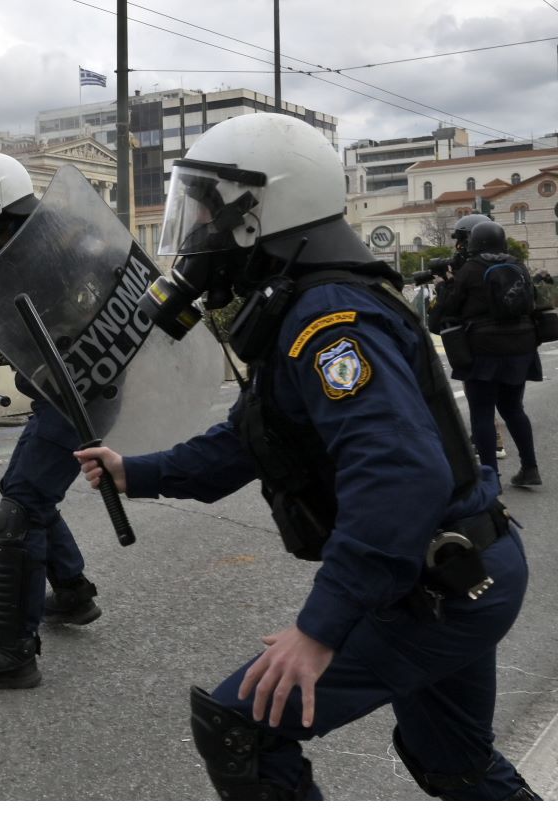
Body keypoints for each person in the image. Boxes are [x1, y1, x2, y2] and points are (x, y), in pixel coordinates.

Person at [75, 114, 537, 800]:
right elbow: (248, 439)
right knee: (455, 765)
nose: (197, 230)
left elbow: (401, 478)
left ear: (263, 212)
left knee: (244, 724)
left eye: (205, 210)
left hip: (439, 586)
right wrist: (134, 471)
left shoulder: (330, 320)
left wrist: (319, 631)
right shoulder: (303, 306)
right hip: (455, 573)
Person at [0, 152, 101, 691]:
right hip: (56, 394)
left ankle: (15, 652)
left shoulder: (64, 243)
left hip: (86, 390)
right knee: (28, 492)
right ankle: (73, 596)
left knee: (20, 508)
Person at [434, 220, 542, 487]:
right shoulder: (518, 266)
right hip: (522, 347)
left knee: (482, 412)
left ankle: (490, 478)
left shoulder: (470, 270)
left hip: (484, 349)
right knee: (513, 408)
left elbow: (448, 310)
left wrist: (445, 285)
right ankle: (530, 468)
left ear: (472, 243)